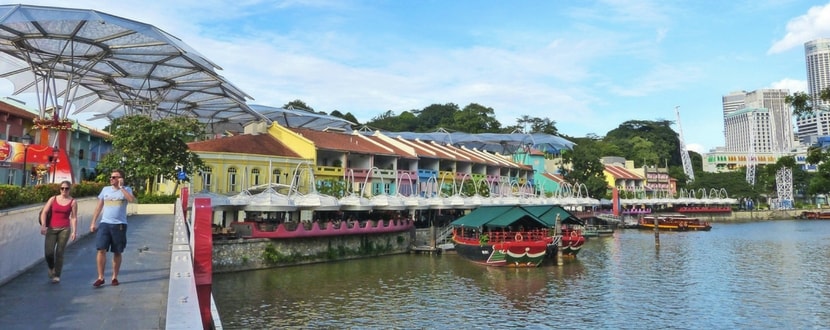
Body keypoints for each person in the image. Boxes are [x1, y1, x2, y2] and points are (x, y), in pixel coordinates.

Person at [90, 169, 136, 287]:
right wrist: (93, 222)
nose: (112, 179)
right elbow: (99, 207)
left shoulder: (126, 189)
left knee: (117, 251)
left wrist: (122, 188)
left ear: (121, 179)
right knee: (101, 249)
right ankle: (101, 277)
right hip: (105, 223)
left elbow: (131, 200)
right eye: (111, 177)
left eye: (115, 177)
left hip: (119, 225)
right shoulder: (105, 190)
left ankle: (115, 277)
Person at [40, 180, 78, 283]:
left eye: (66, 188)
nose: (64, 190)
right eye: (62, 188)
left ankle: (57, 275)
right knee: (48, 253)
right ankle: (51, 267)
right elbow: (44, 212)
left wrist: (74, 231)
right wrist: (43, 225)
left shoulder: (73, 202)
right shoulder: (53, 199)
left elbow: (74, 217)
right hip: (51, 228)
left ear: (70, 190)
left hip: (64, 229)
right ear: (60, 189)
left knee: (60, 252)